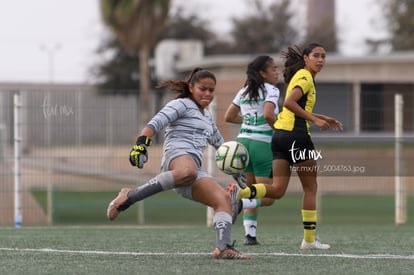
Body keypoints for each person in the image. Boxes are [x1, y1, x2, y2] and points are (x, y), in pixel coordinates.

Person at [106, 67, 250, 260]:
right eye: (202, 88)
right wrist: (141, 144)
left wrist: (236, 170)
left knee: (224, 201)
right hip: (176, 159)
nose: (207, 93)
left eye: (211, 90)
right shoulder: (182, 104)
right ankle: (129, 196)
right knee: (188, 170)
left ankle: (223, 247)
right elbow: (155, 123)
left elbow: (221, 146)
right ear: (191, 88)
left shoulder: (208, 117)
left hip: (192, 171)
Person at [229, 43, 343, 250]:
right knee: (310, 188)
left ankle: (240, 194)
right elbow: (290, 103)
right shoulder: (305, 76)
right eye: (316, 56)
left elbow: (291, 109)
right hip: (297, 137)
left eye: (323, 56)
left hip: (279, 137)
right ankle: (309, 240)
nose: (320, 60)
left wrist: (322, 117)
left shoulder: (300, 76)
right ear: (306, 58)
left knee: (277, 191)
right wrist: (315, 121)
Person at [224, 55, 279, 245]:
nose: (277, 72)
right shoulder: (271, 90)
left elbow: (228, 116)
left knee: (252, 190)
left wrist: (248, 120)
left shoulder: (244, 91)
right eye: (273, 69)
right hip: (261, 145)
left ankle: (250, 236)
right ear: (263, 73)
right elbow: (268, 114)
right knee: (269, 195)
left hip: (242, 144)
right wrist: (281, 130)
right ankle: (238, 202)